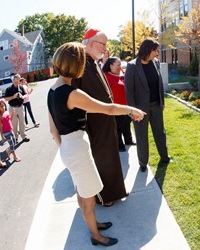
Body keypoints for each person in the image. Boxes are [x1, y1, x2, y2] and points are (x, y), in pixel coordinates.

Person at [48, 42, 145, 246]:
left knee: (82, 191)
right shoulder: (71, 93)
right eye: (82, 63)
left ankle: (94, 223)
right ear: (76, 66)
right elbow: (108, 109)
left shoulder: (53, 90)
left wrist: (66, 148)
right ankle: (96, 236)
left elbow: (52, 130)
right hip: (77, 149)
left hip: (68, 147)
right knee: (88, 198)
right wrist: (130, 109)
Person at [72, 28, 130, 206]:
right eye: (103, 44)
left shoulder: (92, 62)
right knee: (103, 159)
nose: (106, 49)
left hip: (105, 119)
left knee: (111, 157)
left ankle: (115, 191)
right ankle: (105, 196)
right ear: (91, 43)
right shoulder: (80, 64)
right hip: (95, 122)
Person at [124, 38, 170, 172]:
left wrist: (162, 102)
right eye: (155, 51)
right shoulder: (132, 66)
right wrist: (133, 110)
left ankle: (165, 157)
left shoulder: (155, 63)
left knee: (160, 133)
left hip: (156, 106)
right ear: (148, 50)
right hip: (140, 109)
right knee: (142, 135)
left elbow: (159, 84)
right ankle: (143, 163)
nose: (157, 54)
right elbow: (129, 91)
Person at [103, 57, 135, 152]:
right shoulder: (105, 76)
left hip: (126, 104)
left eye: (120, 64)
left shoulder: (121, 73)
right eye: (118, 65)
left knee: (127, 123)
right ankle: (119, 145)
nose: (120, 67)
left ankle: (128, 140)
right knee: (118, 127)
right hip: (115, 107)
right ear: (111, 66)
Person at [4, 74, 30, 143]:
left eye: (19, 79)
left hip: (20, 106)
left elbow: (26, 94)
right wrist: (13, 97)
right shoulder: (9, 89)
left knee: (22, 122)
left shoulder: (21, 87)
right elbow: (6, 99)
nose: (18, 80)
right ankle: (15, 137)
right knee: (14, 123)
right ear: (13, 79)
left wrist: (23, 97)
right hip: (12, 108)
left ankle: (24, 136)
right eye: (16, 78)